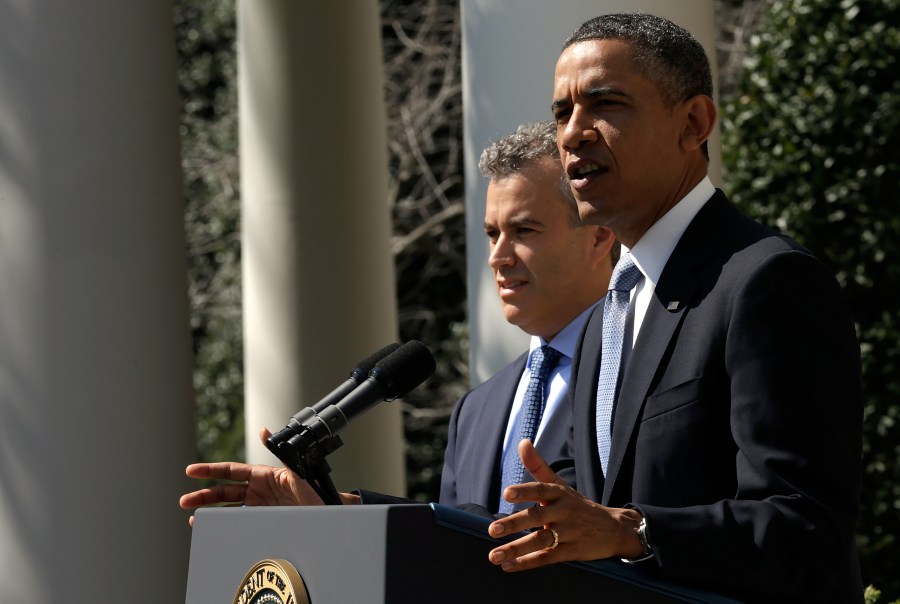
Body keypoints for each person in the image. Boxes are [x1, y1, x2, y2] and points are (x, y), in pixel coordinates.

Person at [484, 14, 864, 603]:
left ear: (694, 123)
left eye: (604, 104)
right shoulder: (605, 317)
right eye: (563, 113)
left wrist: (636, 531)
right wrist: (364, 514)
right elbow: (581, 525)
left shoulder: (767, 281)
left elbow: (806, 531)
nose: (573, 134)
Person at [179, 121, 616, 517]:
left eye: (523, 231)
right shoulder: (477, 409)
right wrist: (336, 510)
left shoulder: (634, 371)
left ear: (597, 238)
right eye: (491, 234)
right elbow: (457, 550)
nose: (498, 257)